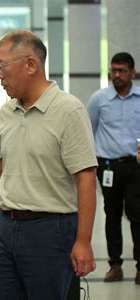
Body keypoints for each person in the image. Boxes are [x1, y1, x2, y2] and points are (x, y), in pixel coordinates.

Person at [0, 30, 98, 300]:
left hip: (50, 230)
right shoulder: (7, 111)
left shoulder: (69, 110)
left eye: (1, 66)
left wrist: (83, 241)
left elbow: (86, 178)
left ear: (30, 65)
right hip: (4, 228)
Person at [87, 52, 140, 284]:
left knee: (137, 216)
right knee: (112, 215)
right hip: (107, 167)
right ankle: (115, 265)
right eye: (113, 70)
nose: (116, 75)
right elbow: (88, 131)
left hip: (135, 167)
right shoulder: (99, 99)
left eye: (121, 70)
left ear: (132, 73)